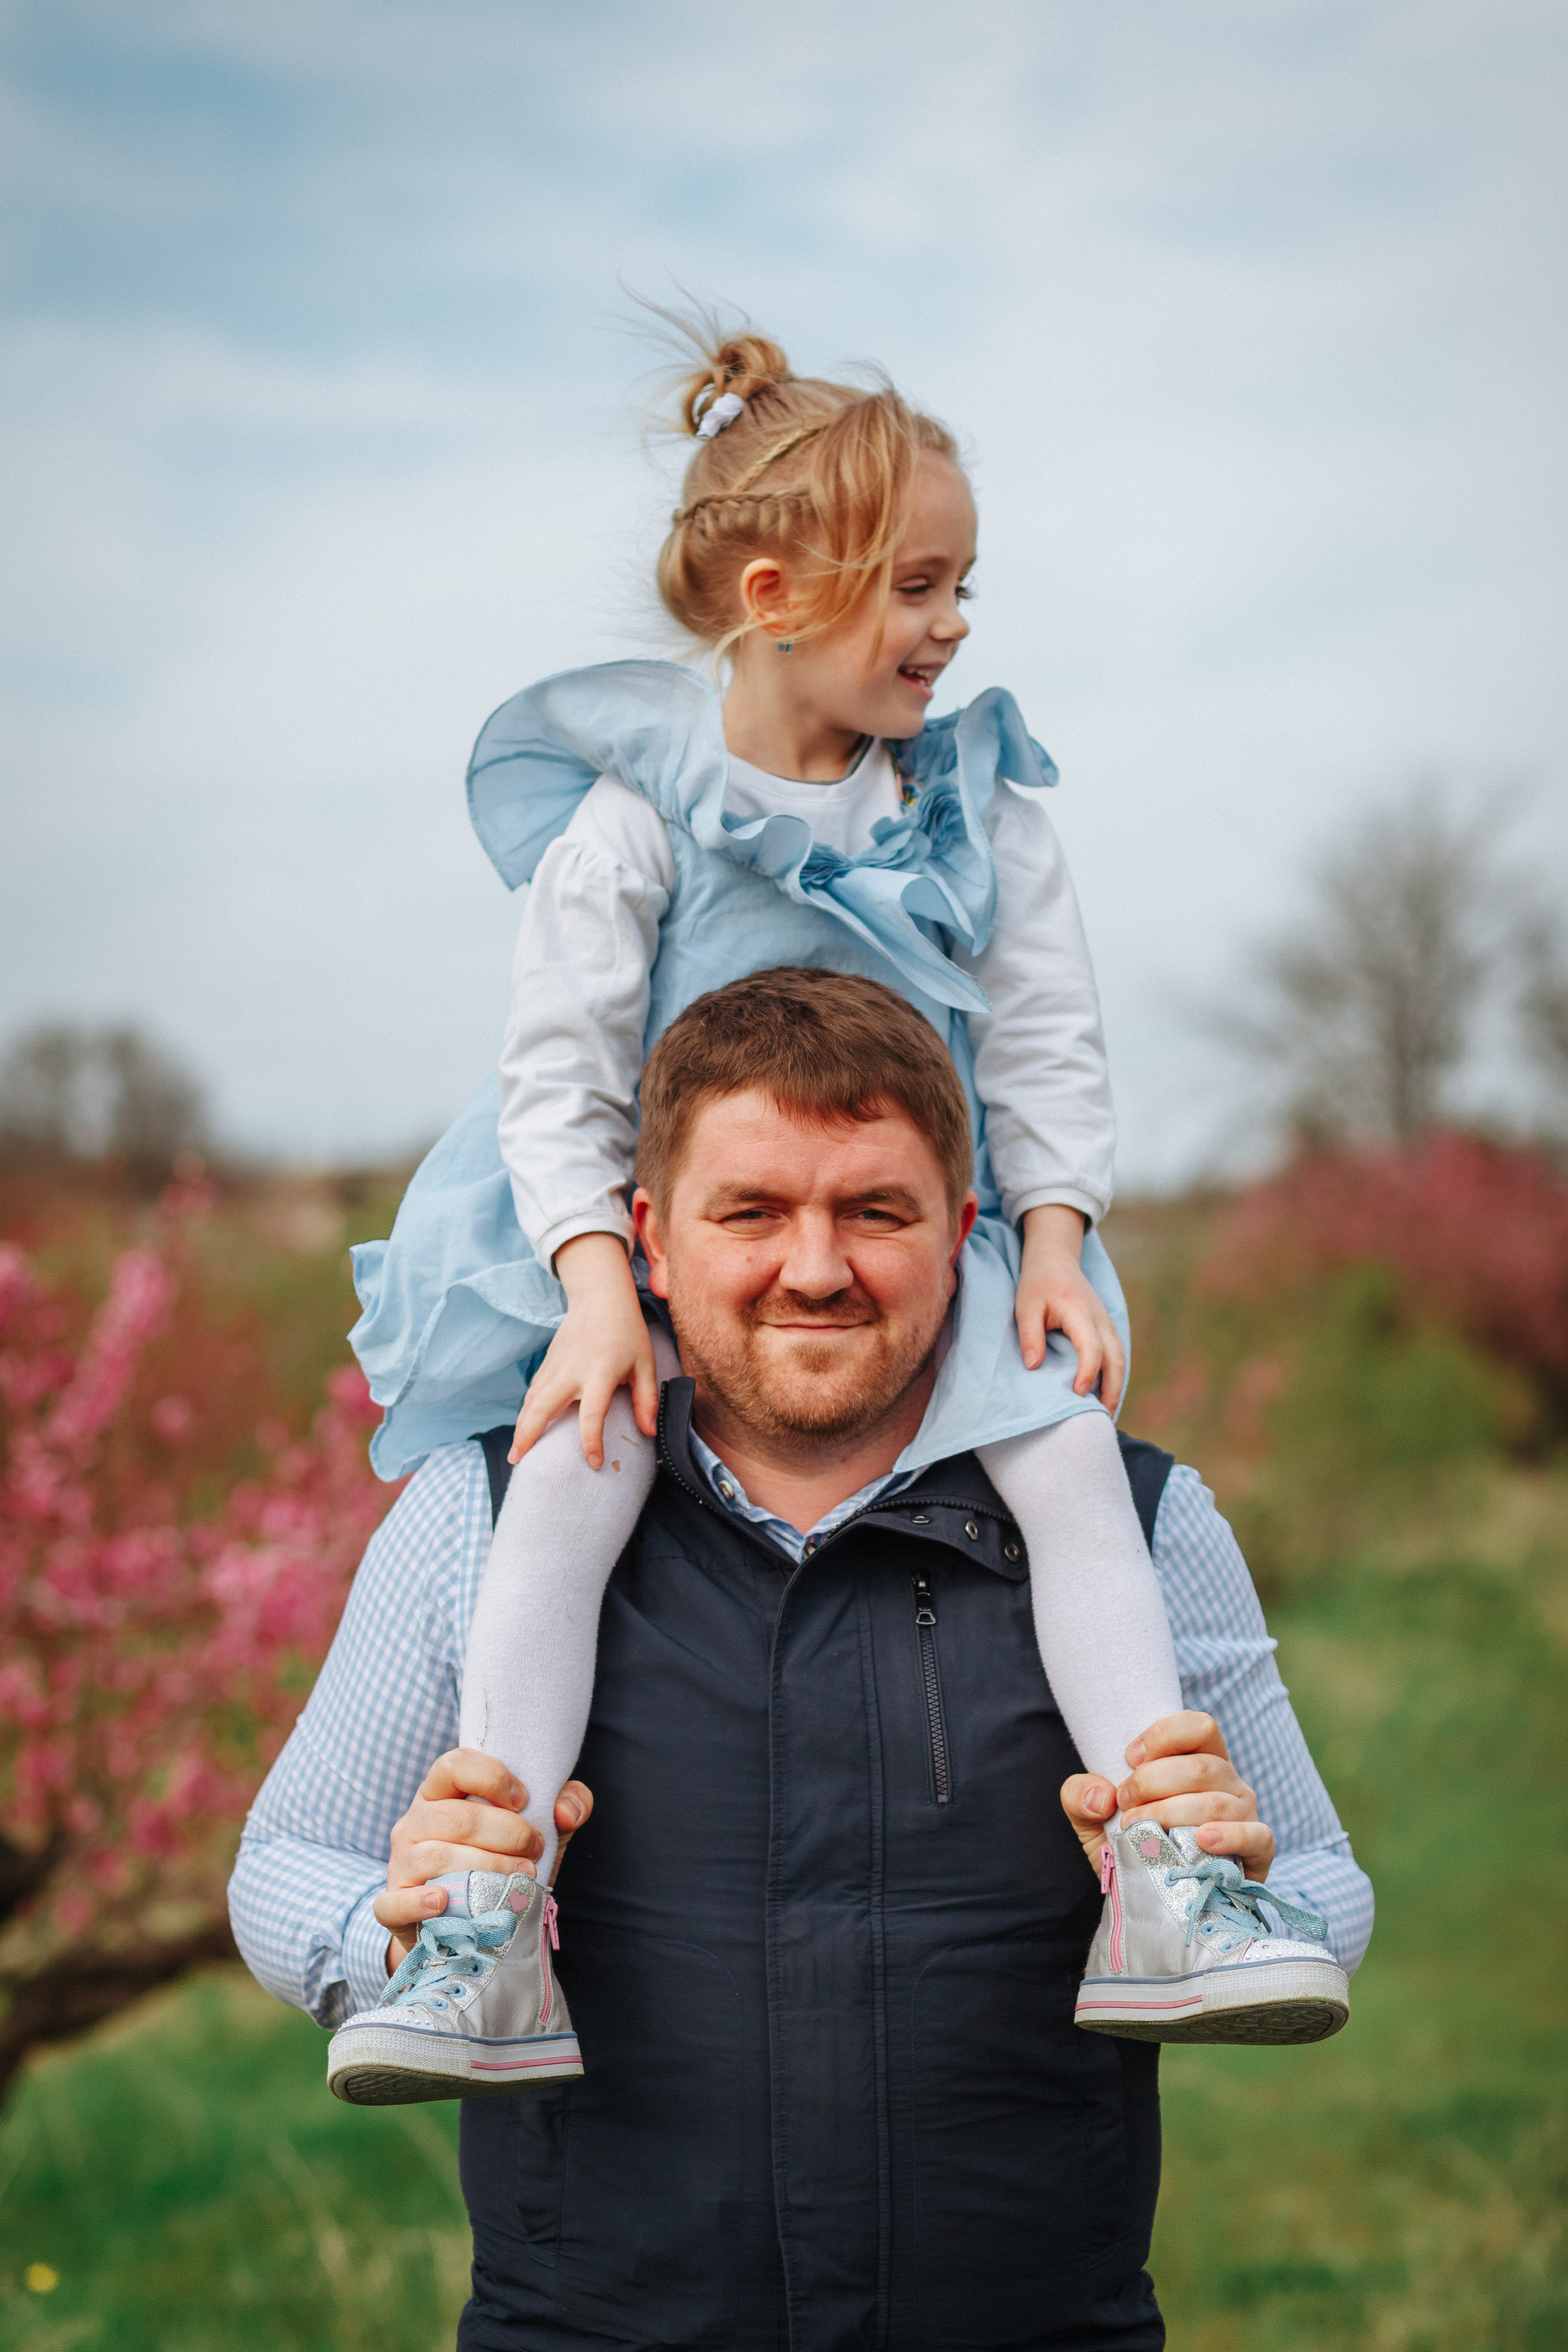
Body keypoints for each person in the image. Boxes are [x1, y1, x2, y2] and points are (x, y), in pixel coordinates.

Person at [344, 318, 1305, 2071]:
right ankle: (487, 1925)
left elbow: (1047, 1043)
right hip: (638, 1244)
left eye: (964, 588)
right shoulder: (635, 817)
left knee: (1073, 1459)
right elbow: (554, 1080)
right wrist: (592, 1292)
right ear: (779, 595)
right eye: (918, 588)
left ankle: (1167, 1876)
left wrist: (1063, 1244)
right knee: (570, 1479)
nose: (950, 626)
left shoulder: (974, 804)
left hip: (916, 1224)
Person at [230, 971, 1373, 2350]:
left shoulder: (1139, 1524)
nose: (815, 1267)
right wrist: (391, 1931)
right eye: (751, 1212)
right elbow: (285, 1860)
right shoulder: (484, 1516)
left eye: (873, 1211)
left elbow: (1323, 1890)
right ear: (647, 1238)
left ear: (961, 1233)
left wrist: (1249, 1887)